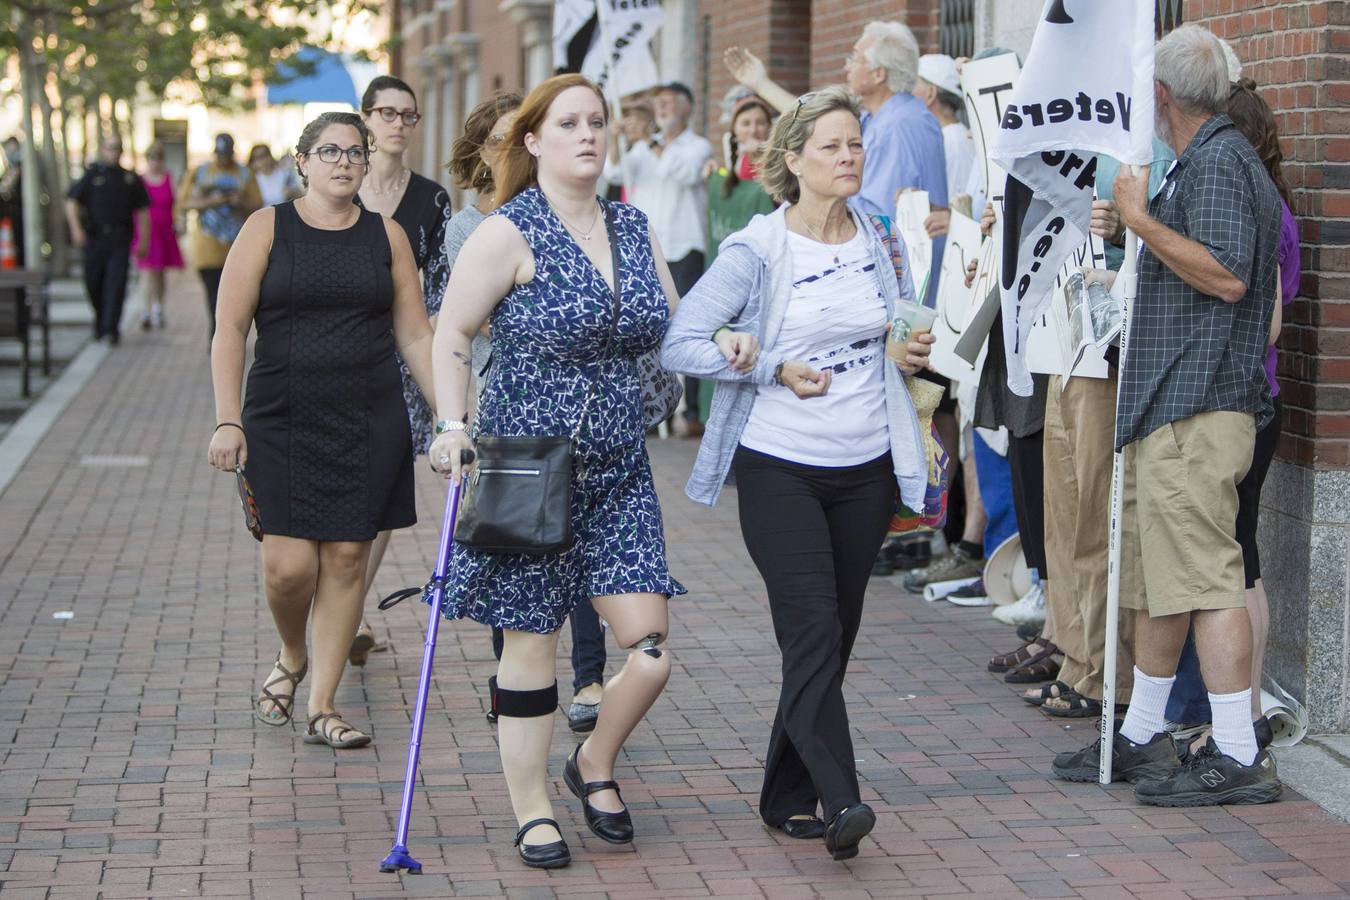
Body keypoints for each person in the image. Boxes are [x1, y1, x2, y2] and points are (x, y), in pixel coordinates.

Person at [427, 74, 739, 868]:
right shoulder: (508, 232)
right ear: (533, 142)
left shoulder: (634, 228)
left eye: (597, 121)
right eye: (568, 123)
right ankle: (533, 810)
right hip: (530, 464)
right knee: (530, 646)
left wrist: (729, 345)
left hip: (619, 468)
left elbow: (673, 335)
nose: (588, 135)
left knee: (651, 648)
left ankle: (592, 761)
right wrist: (452, 425)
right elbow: (453, 333)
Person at [662, 87, 935, 861]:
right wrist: (765, 363)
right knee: (810, 627)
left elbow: (904, 322)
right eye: (832, 146)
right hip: (781, 464)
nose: (849, 157)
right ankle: (842, 797)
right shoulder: (759, 248)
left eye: (856, 144)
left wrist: (908, 349)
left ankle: (785, 793)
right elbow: (680, 342)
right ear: (794, 161)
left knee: (834, 637)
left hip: (868, 464)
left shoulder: (879, 234)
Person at [1051, 24, 1283, 807]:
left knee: (1209, 580)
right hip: (1168, 407)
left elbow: (1227, 279)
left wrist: (1141, 219)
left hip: (1198, 406)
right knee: (1156, 582)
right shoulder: (1203, 161)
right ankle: (1145, 733)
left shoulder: (1217, 163)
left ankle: (1239, 751)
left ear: (1159, 96)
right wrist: (1135, 227)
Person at [205, 111, 436, 751]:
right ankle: (291, 651)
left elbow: (415, 334)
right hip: (279, 418)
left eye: (354, 153)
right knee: (287, 567)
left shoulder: (385, 237)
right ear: (302, 161)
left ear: (366, 164)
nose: (343, 162)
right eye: (329, 152)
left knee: (345, 558)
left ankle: (324, 705)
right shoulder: (266, 228)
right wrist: (228, 418)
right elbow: (229, 330)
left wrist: (451, 417)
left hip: (368, 419)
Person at [441, 89, 611, 734]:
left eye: (591, 124)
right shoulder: (477, 228)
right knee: (520, 573)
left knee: (583, 557)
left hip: (593, 426)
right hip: (503, 404)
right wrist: (452, 424)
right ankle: (515, 680)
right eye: (502, 136)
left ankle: (590, 676)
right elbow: (467, 324)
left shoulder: (592, 216)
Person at [1163, 77, 1301, 753]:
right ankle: (1237, 711)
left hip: (1243, 399)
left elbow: (1267, 323)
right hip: (1252, 398)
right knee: (1238, 564)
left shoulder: (1257, 211)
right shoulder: (1273, 205)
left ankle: (1239, 717)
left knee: (1232, 567)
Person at [350, 74, 454, 666]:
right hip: (344, 353)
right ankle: (346, 610)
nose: (397, 124)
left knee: (388, 477)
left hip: (406, 355)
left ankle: (349, 606)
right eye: (386, 113)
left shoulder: (432, 199)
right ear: (366, 119)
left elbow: (436, 293)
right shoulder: (341, 183)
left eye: (407, 115)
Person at [607, 81, 713, 436]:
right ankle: (652, 409)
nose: (663, 108)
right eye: (659, 103)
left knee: (687, 325)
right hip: (648, 249)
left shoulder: (697, 146)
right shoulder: (642, 148)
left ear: (686, 107)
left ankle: (691, 411)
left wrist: (654, 143)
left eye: (669, 103)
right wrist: (616, 140)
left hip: (684, 246)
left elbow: (682, 172)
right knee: (645, 328)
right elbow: (615, 173)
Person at [696, 94, 778, 424]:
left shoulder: (775, 178)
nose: (754, 129)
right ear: (735, 131)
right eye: (746, 123)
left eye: (761, 122)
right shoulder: (721, 178)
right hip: (721, 278)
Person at [65, 135, 150, 345]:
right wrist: (76, 229)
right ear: (102, 150)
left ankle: (111, 329)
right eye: (110, 148)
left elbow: (143, 211)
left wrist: (144, 240)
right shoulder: (92, 175)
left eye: (117, 148)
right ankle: (101, 321)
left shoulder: (130, 178)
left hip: (120, 239)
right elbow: (71, 202)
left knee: (116, 283)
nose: (114, 152)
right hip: (94, 239)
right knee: (93, 282)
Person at [179, 133, 262, 343]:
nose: (223, 159)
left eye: (227, 154)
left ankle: (226, 336)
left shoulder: (245, 174)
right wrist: (211, 201)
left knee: (234, 298)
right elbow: (185, 203)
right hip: (207, 247)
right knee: (212, 295)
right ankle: (217, 335)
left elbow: (257, 205)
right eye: (220, 154)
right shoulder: (200, 172)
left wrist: (238, 203)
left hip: (236, 246)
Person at [131, 142, 184, 331]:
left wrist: (180, 221)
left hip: (164, 231)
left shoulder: (169, 179)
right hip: (145, 231)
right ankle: (145, 311)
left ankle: (158, 307)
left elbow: (177, 203)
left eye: (159, 157)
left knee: (160, 273)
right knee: (146, 273)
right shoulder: (140, 181)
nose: (156, 161)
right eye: (152, 157)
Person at [914, 53, 973, 208]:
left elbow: (958, 210)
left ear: (930, 93)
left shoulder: (954, 141)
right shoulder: (943, 137)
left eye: (913, 84)